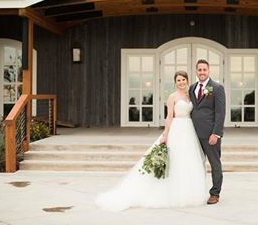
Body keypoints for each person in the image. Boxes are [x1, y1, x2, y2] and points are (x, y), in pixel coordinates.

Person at [95, 71, 207, 211]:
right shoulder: (172, 97)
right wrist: (166, 134)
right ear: (175, 82)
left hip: (189, 129)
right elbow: (169, 116)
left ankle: (189, 192)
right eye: (178, 80)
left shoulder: (191, 96)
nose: (181, 82)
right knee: (175, 159)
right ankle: (171, 193)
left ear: (187, 80)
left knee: (187, 161)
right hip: (177, 129)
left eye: (183, 79)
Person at [189, 59, 226, 205]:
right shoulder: (192, 88)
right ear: (196, 71)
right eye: (199, 70)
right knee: (196, 164)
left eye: (204, 70)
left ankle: (215, 193)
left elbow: (220, 113)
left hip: (210, 134)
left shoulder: (216, 88)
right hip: (193, 134)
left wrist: (216, 133)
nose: (202, 72)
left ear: (208, 71)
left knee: (214, 164)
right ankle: (196, 191)